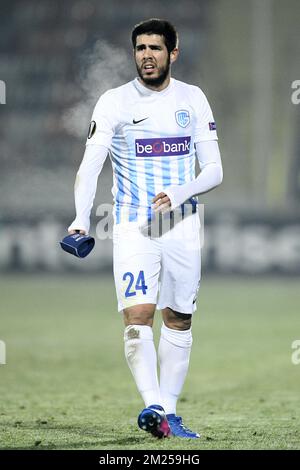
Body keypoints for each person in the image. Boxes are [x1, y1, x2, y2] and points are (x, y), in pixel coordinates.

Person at [68, 18, 223, 439]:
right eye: (140, 49)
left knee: (179, 318)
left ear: (173, 52)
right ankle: (152, 406)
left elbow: (214, 170)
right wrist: (81, 220)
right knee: (138, 315)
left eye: (155, 48)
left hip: (182, 223)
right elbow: (90, 166)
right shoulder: (115, 102)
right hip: (134, 223)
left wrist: (180, 192)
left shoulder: (192, 99)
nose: (146, 56)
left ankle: (169, 415)